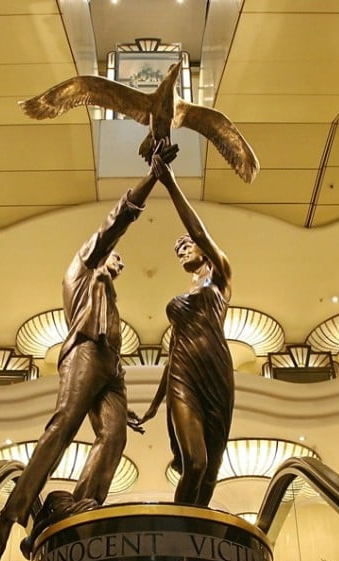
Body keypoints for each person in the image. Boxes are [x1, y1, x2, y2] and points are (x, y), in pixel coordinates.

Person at [0, 143, 180, 561]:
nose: (119, 265)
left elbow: (114, 347)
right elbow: (116, 222)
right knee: (63, 426)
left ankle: (80, 509)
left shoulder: (109, 294)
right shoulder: (83, 267)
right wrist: (151, 179)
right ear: (100, 255)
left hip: (111, 367)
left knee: (115, 436)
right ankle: (10, 515)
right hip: (85, 352)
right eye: (116, 259)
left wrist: (116, 395)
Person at [130, 143, 234, 508]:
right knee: (195, 462)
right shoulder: (184, 297)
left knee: (212, 468)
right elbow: (174, 353)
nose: (182, 251)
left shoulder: (220, 277)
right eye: (177, 251)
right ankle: (179, 532)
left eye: (186, 246)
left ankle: (197, 537)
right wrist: (156, 406)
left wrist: (169, 182)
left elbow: (199, 230)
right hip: (183, 376)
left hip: (217, 373)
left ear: (204, 250)